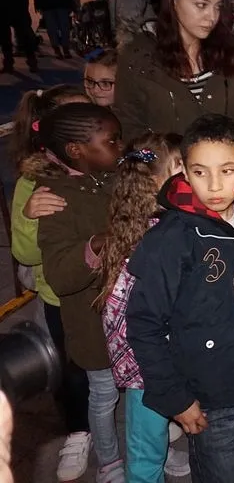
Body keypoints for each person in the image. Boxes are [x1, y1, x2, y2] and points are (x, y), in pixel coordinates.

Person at [126, 114, 234, 483]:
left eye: (227, 170)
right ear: (184, 171)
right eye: (199, 172)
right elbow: (144, 323)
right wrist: (174, 396)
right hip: (213, 395)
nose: (214, 185)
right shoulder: (171, 239)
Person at [113, 0, 234, 190]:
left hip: (226, 185)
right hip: (166, 188)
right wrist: (157, 166)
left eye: (217, 7)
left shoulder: (233, 53)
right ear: (173, 0)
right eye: (201, 5)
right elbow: (129, 128)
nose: (211, 17)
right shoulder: (139, 56)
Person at [35, 103, 125, 483]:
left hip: (135, 315)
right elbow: (59, 275)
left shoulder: (115, 175)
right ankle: (109, 462)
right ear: (77, 150)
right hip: (94, 324)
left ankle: (155, 447)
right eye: (112, 141)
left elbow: (151, 156)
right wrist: (96, 245)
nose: (121, 147)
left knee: (147, 385)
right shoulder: (55, 198)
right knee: (103, 396)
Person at [93, 134, 190, 482]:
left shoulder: (135, 228)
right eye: (182, 168)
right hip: (150, 366)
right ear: (155, 182)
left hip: (151, 365)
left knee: (148, 445)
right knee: (146, 453)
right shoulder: (160, 237)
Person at [10, 86, 94, 482]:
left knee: (120, 358)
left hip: (109, 290)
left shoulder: (103, 166)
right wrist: (30, 216)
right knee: (72, 369)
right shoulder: (32, 183)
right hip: (60, 296)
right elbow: (25, 253)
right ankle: (78, 430)